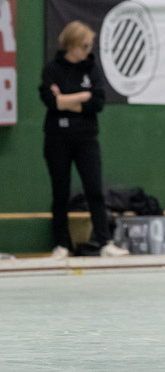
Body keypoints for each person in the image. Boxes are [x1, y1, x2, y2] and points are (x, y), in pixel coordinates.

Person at [39, 21, 128, 259]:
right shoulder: (52, 70)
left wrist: (66, 100)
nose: (87, 50)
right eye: (84, 45)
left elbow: (97, 102)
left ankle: (104, 242)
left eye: (90, 45)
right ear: (71, 45)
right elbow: (51, 102)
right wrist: (80, 97)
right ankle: (61, 245)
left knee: (94, 189)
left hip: (86, 139)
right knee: (60, 192)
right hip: (57, 139)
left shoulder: (92, 69)